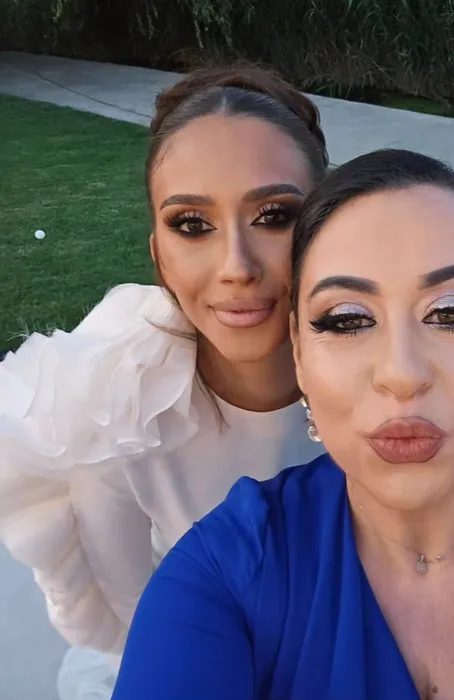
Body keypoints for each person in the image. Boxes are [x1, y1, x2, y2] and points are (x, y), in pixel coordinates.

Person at [112, 149, 454, 700]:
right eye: (347, 319)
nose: (402, 374)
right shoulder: (223, 576)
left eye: (451, 313)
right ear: (299, 352)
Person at [0, 64, 329, 698]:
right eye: (192, 225)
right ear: (158, 256)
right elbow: (139, 623)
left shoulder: (381, 367)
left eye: (273, 215)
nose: (236, 267)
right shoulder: (116, 407)